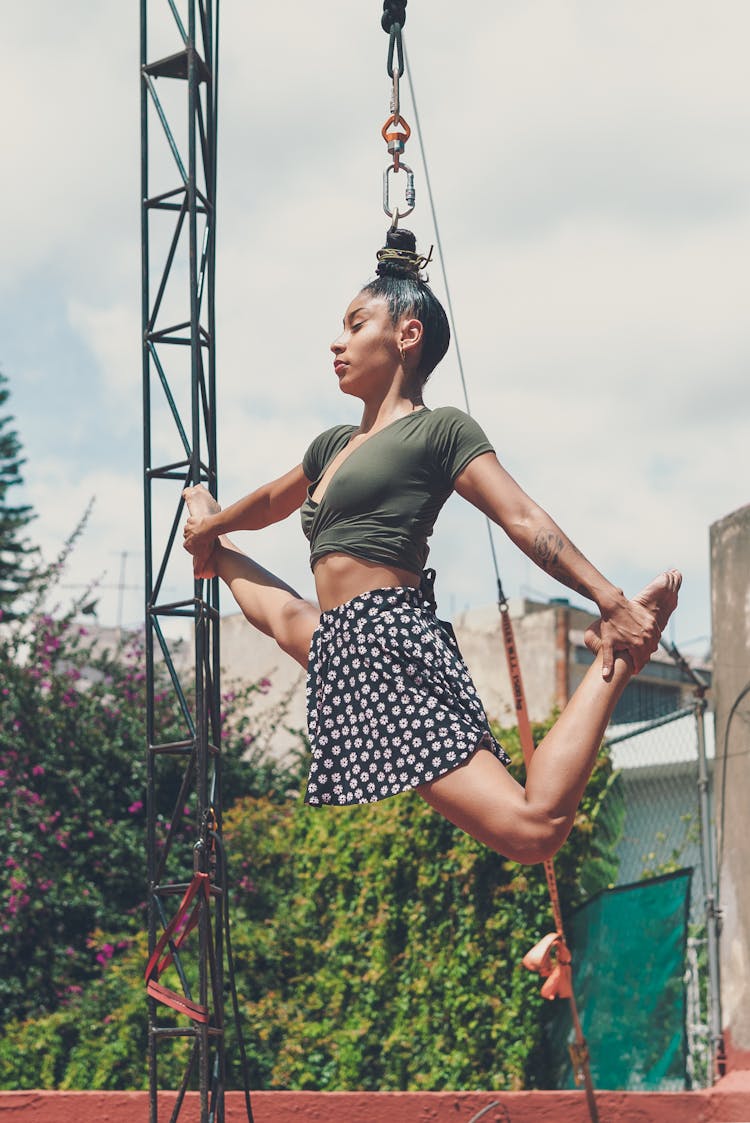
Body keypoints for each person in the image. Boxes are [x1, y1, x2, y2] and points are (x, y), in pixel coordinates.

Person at [182, 227, 681, 865]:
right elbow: (273, 503)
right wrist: (214, 526)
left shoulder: (439, 430)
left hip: (390, 638)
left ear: (406, 336)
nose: (337, 341)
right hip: (344, 639)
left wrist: (608, 599)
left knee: (531, 831)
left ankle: (616, 656)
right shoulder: (331, 446)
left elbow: (521, 515)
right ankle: (211, 555)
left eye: (356, 324)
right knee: (282, 618)